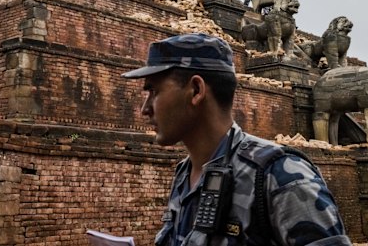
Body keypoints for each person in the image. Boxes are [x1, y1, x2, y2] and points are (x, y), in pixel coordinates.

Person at [122, 33, 352, 246]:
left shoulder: (280, 175)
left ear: (195, 90)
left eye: (154, 91)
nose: (145, 109)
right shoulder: (185, 174)